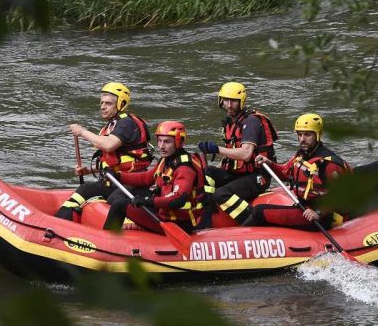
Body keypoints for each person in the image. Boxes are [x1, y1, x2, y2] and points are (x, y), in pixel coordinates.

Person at [54, 82, 152, 221]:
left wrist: (82, 131)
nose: (102, 107)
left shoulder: (127, 124)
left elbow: (109, 145)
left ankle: (121, 231)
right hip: (113, 180)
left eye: (108, 103)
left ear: (120, 104)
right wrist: (87, 170)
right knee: (85, 189)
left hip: (132, 182)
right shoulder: (111, 126)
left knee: (114, 200)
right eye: (101, 103)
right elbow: (112, 161)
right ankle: (58, 224)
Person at [243, 113, 352, 230]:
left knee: (260, 211)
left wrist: (318, 213)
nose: (302, 139)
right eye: (299, 135)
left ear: (318, 135)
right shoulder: (301, 155)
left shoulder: (329, 163)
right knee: (257, 209)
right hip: (302, 207)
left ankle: (239, 235)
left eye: (307, 135)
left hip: (318, 218)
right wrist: (269, 163)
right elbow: (284, 174)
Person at [196, 82, 278, 227]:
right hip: (239, 174)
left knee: (221, 194)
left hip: (257, 176)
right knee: (208, 172)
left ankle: (252, 220)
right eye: (226, 100)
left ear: (242, 101)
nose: (229, 105)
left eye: (233, 101)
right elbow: (231, 156)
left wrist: (216, 149)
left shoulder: (251, 121)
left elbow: (246, 154)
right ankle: (206, 216)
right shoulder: (230, 123)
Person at [102, 121, 205, 234]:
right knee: (123, 200)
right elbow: (146, 178)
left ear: (178, 142)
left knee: (119, 205)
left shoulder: (185, 167)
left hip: (179, 224)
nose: (161, 146)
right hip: (165, 215)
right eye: (159, 141)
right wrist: (118, 176)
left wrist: (147, 201)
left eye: (167, 142)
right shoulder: (165, 160)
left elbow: (178, 199)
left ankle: (108, 240)